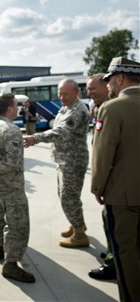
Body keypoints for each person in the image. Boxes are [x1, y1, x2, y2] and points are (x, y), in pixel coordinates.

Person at [91, 57, 140, 302]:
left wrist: (98, 187)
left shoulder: (112, 108)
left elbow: (103, 153)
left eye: (109, 81)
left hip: (124, 196)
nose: (108, 86)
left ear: (120, 79)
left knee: (126, 253)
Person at [24, 78, 90, 248]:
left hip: (73, 161)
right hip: (64, 159)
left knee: (68, 197)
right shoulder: (66, 108)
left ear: (76, 92)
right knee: (67, 196)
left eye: (65, 94)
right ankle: (78, 224)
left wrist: (35, 138)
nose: (61, 97)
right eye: (60, 93)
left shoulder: (77, 110)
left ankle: (80, 235)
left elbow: (61, 132)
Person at [0, 93, 35, 283]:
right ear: (10, 108)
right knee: (18, 225)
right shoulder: (11, 130)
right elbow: (13, 162)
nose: (18, 108)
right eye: (16, 105)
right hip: (12, 186)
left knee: (0, 217)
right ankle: (11, 264)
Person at [86, 73, 117, 280]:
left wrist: (99, 183)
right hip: (110, 174)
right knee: (109, 219)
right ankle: (113, 252)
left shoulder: (112, 108)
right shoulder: (99, 107)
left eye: (92, 89)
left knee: (114, 220)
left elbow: (107, 148)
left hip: (116, 177)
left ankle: (113, 263)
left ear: (107, 87)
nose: (89, 93)